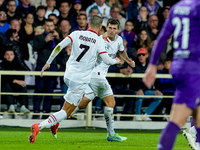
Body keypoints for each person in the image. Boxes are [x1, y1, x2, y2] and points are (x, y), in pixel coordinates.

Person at [29, 15, 121, 143]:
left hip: (68, 75)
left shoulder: (77, 33)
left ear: (89, 23)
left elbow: (59, 47)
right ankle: (39, 126)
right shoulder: (99, 41)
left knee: (78, 102)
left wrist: (48, 62)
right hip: (80, 79)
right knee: (67, 111)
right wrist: (116, 61)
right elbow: (106, 60)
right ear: (100, 27)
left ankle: (56, 123)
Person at [143, 0, 200, 149]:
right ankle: (194, 134)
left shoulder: (177, 7)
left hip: (179, 65)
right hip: (194, 67)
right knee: (177, 120)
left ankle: (196, 136)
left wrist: (152, 65)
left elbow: (162, 37)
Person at [68, 18, 135, 141]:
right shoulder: (99, 40)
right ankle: (111, 134)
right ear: (106, 28)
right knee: (111, 103)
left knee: (83, 102)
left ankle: (60, 117)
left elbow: (122, 53)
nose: (111, 30)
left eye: (114, 28)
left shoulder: (119, 40)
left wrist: (128, 61)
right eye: (109, 27)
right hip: (96, 74)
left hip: (97, 76)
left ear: (118, 30)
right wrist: (114, 61)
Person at [132, 48, 162, 121]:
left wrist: (157, 89)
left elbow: (156, 79)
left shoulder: (151, 66)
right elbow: (133, 81)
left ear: (147, 55)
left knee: (159, 97)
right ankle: (137, 115)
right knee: (139, 96)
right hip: (137, 89)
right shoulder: (134, 66)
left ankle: (146, 115)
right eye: (139, 55)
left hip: (148, 90)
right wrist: (139, 89)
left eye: (143, 54)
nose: (141, 56)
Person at [0, 48, 30, 115]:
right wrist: (15, 80)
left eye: (11, 54)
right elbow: (3, 78)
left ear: (14, 55)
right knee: (6, 84)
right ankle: (11, 106)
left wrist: (17, 81)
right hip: (5, 87)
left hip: (16, 86)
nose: (9, 56)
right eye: (7, 54)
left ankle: (23, 106)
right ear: (4, 56)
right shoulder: (2, 65)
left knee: (23, 85)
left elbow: (23, 74)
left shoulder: (18, 64)